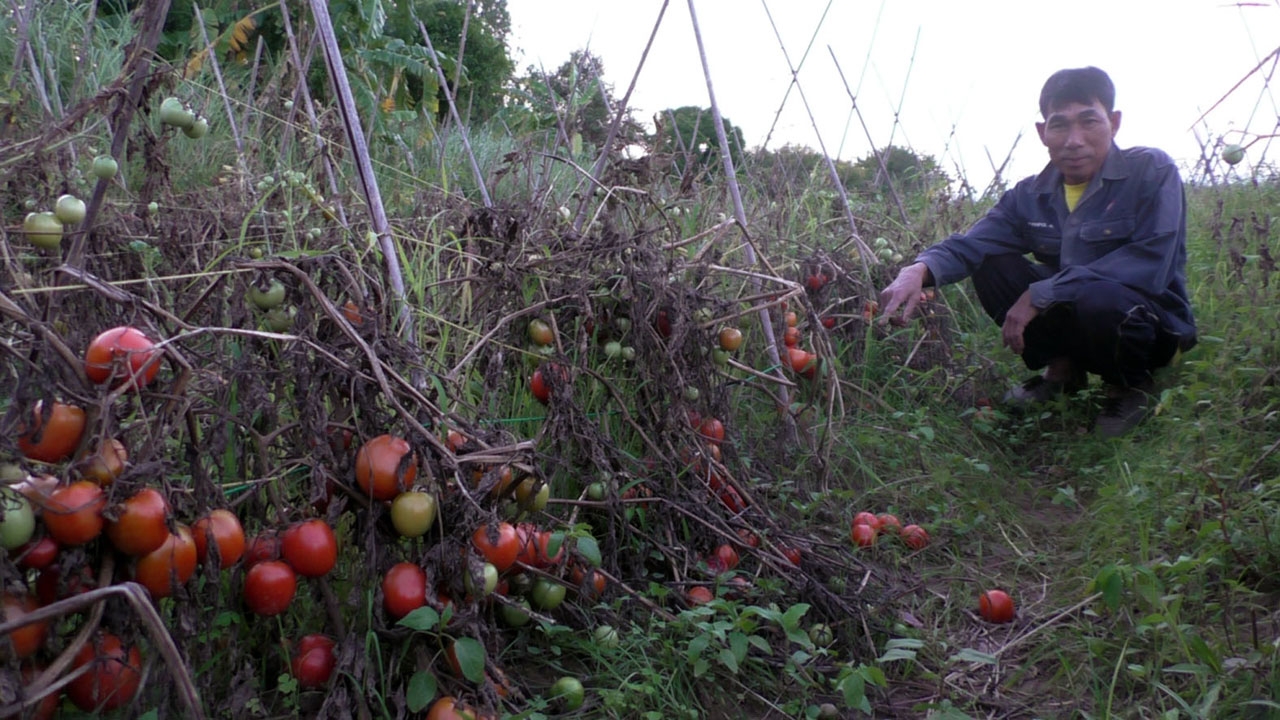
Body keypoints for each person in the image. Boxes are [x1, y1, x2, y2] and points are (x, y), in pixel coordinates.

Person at [877, 66, 1196, 437]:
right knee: (991, 262)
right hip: (1082, 319)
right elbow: (973, 243)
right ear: (1043, 133)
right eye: (1060, 125)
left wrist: (1042, 292)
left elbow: (1149, 263)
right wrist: (919, 269)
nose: (1074, 140)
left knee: (1097, 294)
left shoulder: (1151, 170)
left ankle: (1129, 386)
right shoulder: (1030, 194)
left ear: (1114, 122)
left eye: (1088, 121)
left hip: (1150, 325)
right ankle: (1062, 373)